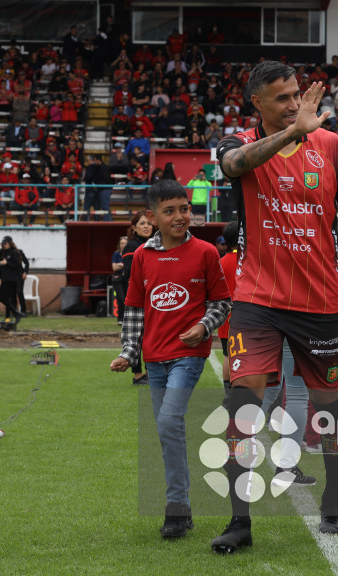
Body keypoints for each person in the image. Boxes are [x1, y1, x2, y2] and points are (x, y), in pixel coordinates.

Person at [210, 60, 338, 553]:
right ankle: (239, 521)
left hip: (320, 301)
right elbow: (234, 166)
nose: (293, 105)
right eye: (282, 98)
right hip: (256, 298)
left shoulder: (331, 146)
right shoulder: (236, 143)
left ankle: (333, 497)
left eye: (296, 95)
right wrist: (292, 135)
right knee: (241, 404)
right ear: (257, 104)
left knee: (328, 409)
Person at [110, 179, 231, 540]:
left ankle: (175, 511)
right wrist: (129, 352)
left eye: (185, 209)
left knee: (168, 420)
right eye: (170, 211)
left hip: (188, 355)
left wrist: (203, 327)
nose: (180, 216)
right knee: (168, 431)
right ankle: (181, 511)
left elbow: (222, 303)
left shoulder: (207, 252)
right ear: (152, 216)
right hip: (154, 358)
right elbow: (133, 309)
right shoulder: (142, 257)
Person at [121, 210, 155, 385]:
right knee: (137, 337)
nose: (146, 226)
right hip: (137, 298)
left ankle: (150, 373)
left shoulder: (157, 244)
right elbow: (128, 272)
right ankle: (137, 375)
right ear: (134, 227)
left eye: (149, 223)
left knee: (151, 336)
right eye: (142, 223)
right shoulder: (131, 246)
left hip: (154, 298)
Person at [216, 221, 239, 406]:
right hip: (248, 317)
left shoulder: (221, 262)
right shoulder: (250, 260)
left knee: (227, 355)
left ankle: (228, 394)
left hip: (226, 317)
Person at [0, 236, 24, 321]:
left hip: (11, 279)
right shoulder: (3, 252)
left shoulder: (14, 253)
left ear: (10, 243)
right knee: (1, 298)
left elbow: (17, 265)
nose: (4, 245)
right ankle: (15, 313)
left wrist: (7, 263)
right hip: (4, 278)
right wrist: (1, 250)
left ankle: (8, 316)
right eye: (3, 244)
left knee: (6, 298)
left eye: (5, 243)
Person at [111, 236, 128, 324]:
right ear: (119, 245)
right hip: (117, 278)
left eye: (125, 243)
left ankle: (126, 318)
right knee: (120, 298)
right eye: (122, 243)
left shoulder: (129, 253)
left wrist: (120, 265)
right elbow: (114, 267)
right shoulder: (116, 254)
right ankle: (120, 319)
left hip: (127, 278)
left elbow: (130, 265)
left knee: (127, 299)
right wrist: (123, 265)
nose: (123, 245)